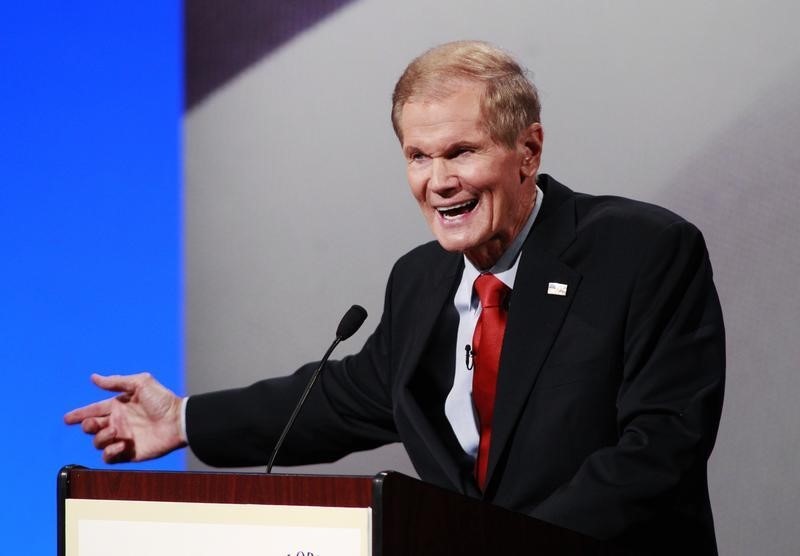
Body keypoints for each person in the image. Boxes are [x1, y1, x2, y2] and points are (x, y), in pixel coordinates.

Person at [65, 41, 725, 554]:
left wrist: (499, 550)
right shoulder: (422, 280)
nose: (438, 182)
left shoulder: (641, 252)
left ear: (529, 150)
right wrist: (181, 421)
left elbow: (660, 449)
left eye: (460, 152)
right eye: (417, 156)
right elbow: (344, 399)